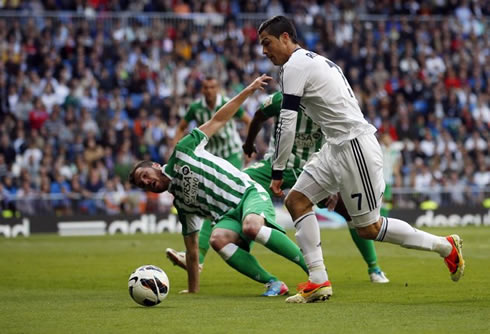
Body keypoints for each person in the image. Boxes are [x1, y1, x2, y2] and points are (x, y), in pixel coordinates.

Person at [258, 16, 464, 303]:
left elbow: (288, 120)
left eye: (266, 43)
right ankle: (318, 281)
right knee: (297, 201)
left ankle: (445, 246)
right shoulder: (313, 61)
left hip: (353, 145)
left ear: (285, 38)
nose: (264, 51)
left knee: (369, 228)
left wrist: (277, 169)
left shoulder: (294, 65)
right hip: (335, 145)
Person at [167, 91, 390, 284]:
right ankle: (197, 260)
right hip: (274, 167)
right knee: (230, 193)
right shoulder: (280, 100)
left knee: (351, 211)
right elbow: (257, 116)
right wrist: (249, 142)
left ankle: (374, 268)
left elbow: (339, 141)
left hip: (314, 168)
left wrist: (334, 182)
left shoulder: (328, 106)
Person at [129, 75, 309, 296]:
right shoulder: (182, 205)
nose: (146, 181)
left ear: (156, 165)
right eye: (142, 183)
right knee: (216, 238)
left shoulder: (183, 151)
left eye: (145, 175)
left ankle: (313, 268)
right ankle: (273, 283)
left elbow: (218, 120)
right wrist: (193, 290)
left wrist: (249, 89)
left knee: (251, 226)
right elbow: (192, 250)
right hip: (228, 216)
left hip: (248, 193)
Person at [169, 76, 252, 271]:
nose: (209, 90)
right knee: (212, 207)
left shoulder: (226, 103)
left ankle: (198, 258)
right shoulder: (196, 108)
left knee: (213, 207)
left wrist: (248, 145)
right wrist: (175, 150)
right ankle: (236, 240)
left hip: (231, 156)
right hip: (210, 158)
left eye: (213, 87)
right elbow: (181, 127)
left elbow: (248, 120)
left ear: (218, 88)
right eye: (206, 87)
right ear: (202, 90)